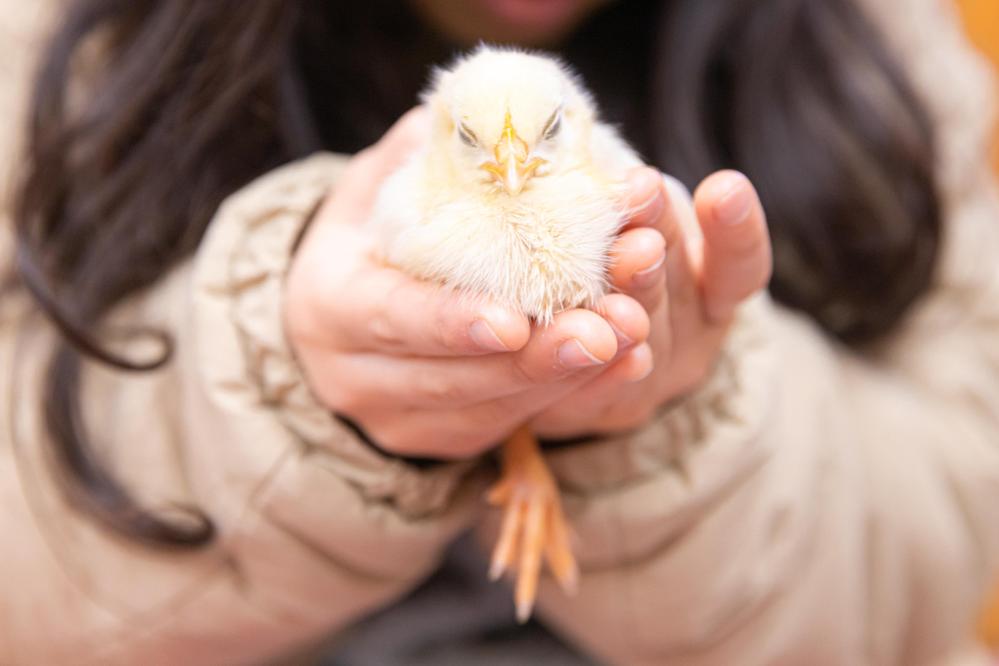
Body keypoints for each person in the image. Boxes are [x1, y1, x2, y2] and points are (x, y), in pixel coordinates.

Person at [1, 0, 997, 664]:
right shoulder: (47, 47)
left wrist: (692, 430)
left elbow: (961, 493)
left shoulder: (881, 46)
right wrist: (280, 394)